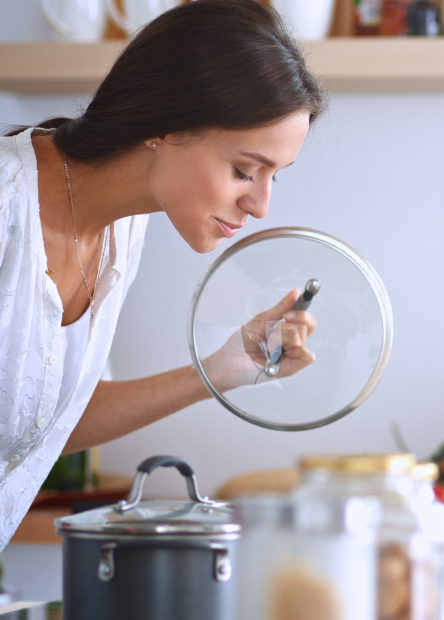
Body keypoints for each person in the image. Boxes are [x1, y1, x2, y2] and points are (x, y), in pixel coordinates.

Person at [0, 0, 327, 549]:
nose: (261, 205)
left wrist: (218, 370)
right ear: (163, 127)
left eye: (275, 176)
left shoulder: (122, 232)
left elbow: (39, 426)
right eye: (245, 170)